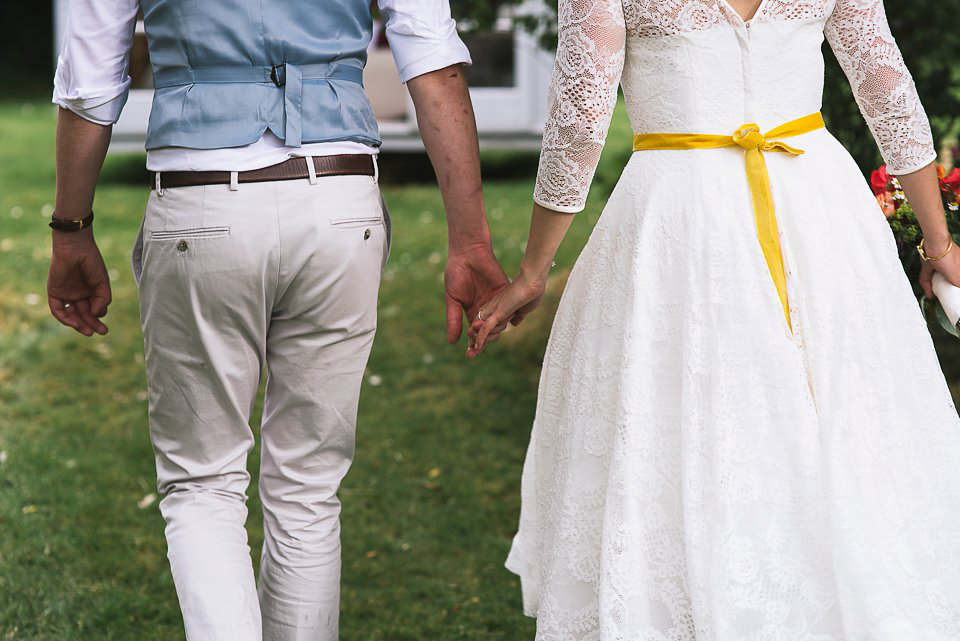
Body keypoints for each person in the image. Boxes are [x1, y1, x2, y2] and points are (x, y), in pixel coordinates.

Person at [471, 0, 960, 638]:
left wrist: (534, 270)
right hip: (818, 207)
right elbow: (884, 84)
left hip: (680, 214)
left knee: (688, 428)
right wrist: (939, 242)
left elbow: (582, 119)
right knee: (837, 422)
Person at [46, 1, 508, 639]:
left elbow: (91, 83)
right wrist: (470, 242)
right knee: (308, 488)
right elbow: (431, 57)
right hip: (340, 204)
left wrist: (71, 230)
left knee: (203, 483)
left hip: (201, 197)